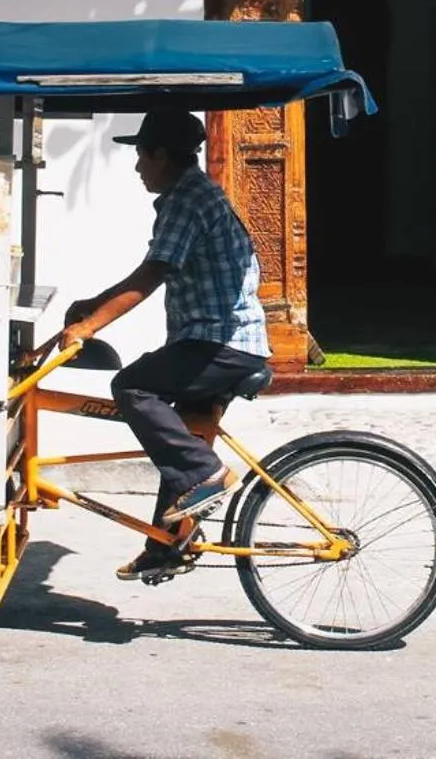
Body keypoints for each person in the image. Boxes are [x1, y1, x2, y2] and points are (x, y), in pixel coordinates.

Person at [56, 108, 271, 581]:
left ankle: (204, 474)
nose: (136, 168)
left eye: (140, 156)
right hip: (220, 340)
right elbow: (150, 269)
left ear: (161, 156)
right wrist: (95, 303)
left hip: (221, 343)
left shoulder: (185, 200)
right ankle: (165, 546)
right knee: (180, 444)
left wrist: (91, 326)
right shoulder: (194, 194)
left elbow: (155, 272)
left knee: (134, 387)